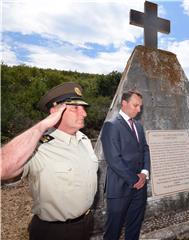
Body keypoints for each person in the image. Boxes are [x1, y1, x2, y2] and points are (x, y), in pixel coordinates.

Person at [1, 82, 99, 240]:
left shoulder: (84, 140)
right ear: (55, 111)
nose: (84, 114)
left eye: (83, 108)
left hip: (86, 223)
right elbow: (3, 168)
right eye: (75, 108)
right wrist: (42, 126)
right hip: (55, 232)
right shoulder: (38, 146)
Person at [101, 90, 150, 240]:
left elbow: (145, 150)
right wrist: (134, 179)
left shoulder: (139, 127)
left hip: (140, 188)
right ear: (124, 103)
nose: (139, 110)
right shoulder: (111, 125)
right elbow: (114, 159)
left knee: (134, 227)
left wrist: (144, 173)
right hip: (119, 188)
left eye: (140, 106)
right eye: (135, 105)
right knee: (113, 231)